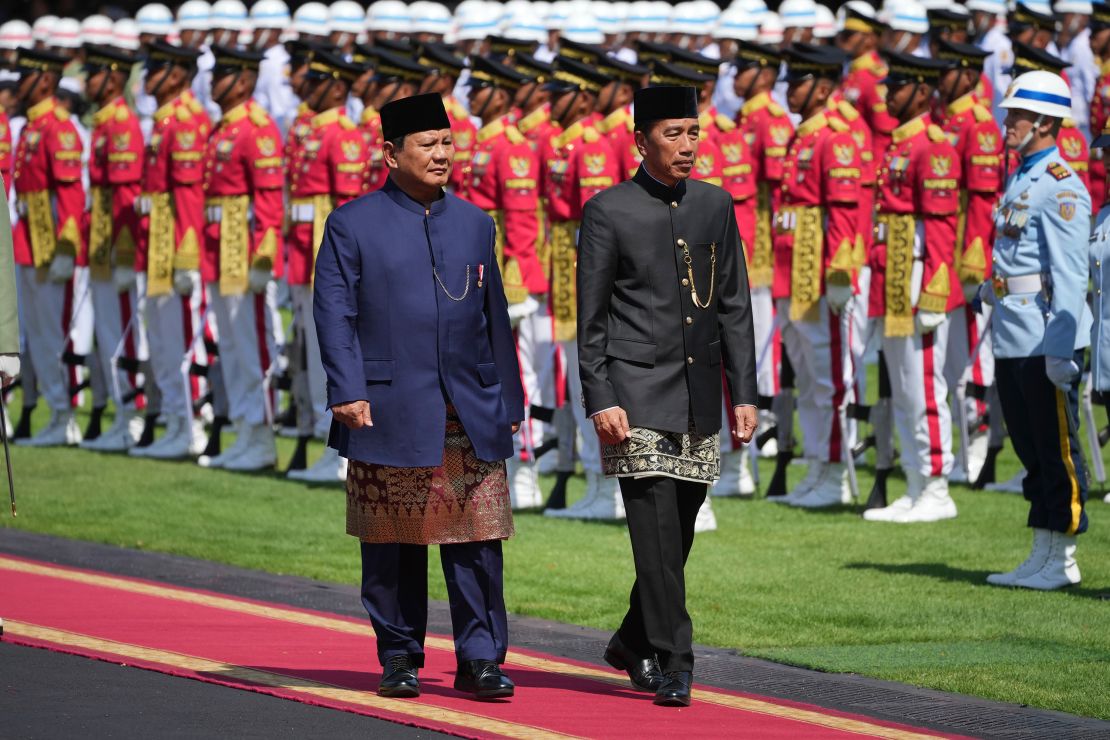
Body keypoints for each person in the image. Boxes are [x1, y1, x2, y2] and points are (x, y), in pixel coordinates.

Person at [313, 93, 524, 699]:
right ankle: (399, 656)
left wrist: (507, 401)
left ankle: (480, 660)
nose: (441, 155)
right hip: (386, 405)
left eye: (447, 142)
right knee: (391, 543)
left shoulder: (475, 223)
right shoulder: (351, 223)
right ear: (390, 153)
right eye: (427, 144)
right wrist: (347, 390)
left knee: (477, 543)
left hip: (467, 408)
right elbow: (334, 313)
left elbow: (495, 319)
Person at [577, 85, 757, 707]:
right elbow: (591, 317)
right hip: (633, 394)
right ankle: (675, 658)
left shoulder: (714, 205)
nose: (686, 146)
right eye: (671, 134)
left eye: (692, 132)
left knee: (675, 538)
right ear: (640, 141)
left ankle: (631, 637)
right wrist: (599, 396)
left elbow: (734, 305)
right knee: (652, 533)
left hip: (700, 391)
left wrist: (746, 392)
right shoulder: (608, 211)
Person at [982, 71, 1092, 589]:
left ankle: (1064, 554)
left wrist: (1061, 347)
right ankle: (1041, 550)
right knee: (1029, 446)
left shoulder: (1061, 184)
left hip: (1043, 332)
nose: (1008, 122)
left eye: (1018, 115)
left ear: (1045, 122)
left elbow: (1070, 273)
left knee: (1056, 448)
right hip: (1012, 327)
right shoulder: (1023, 175)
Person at [862, 52, 962, 524]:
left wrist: (936, 291)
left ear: (922, 91)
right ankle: (917, 481)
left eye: (897, 87)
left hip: (919, 274)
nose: (887, 95)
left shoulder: (932, 145)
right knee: (902, 387)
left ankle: (937, 485)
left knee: (923, 384)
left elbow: (942, 226)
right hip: (895, 273)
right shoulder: (901, 143)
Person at [771, 44, 863, 508]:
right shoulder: (803, 135)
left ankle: (834, 473)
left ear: (822, 88)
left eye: (798, 82)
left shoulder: (833, 137)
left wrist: (839, 275)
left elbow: (844, 214)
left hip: (817, 272)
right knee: (806, 378)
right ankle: (815, 467)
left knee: (828, 379)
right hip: (791, 272)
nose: (788, 90)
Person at [458, 55, 548, 509]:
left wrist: (517, 284)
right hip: (477, 271)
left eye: (479, 88)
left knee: (520, 374)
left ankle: (528, 469)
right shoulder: (480, 142)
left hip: (508, 279)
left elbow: (520, 223)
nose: (470, 95)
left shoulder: (509, 146)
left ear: (498, 93)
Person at [196, 46, 285, 472]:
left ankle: (261, 434)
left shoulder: (256, 127)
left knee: (251, 346)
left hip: (242, 244)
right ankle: (245, 432)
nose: (214, 85)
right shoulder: (224, 127)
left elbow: (268, 199)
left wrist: (263, 256)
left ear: (244, 80)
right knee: (230, 345)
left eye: (223, 76)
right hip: (219, 242)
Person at [284, 48, 368, 483]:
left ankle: (338, 452)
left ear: (336, 87)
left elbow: (348, 207)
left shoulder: (342, 134)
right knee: (308, 356)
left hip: (326, 255)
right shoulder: (311, 130)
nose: (305, 88)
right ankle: (322, 444)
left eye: (316, 82)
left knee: (330, 353)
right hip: (301, 251)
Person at [11, 48, 86, 448]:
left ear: (43, 81)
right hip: (27, 239)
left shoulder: (58, 126)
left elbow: (70, 194)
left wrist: (65, 248)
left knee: (54, 333)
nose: (17, 83)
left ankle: (65, 414)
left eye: (24, 76)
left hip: (48, 242)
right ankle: (55, 411)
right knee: (35, 336)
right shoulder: (33, 125)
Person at [78, 44, 146, 454]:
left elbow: (126, 197)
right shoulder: (105, 122)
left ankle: (133, 418)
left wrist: (124, 253)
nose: (86, 82)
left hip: (119, 247)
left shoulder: (121, 123)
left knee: (124, 336)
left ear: (113, 76)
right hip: (101, 243)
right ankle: (123, 416)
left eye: (93, 74)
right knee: (107, 336)